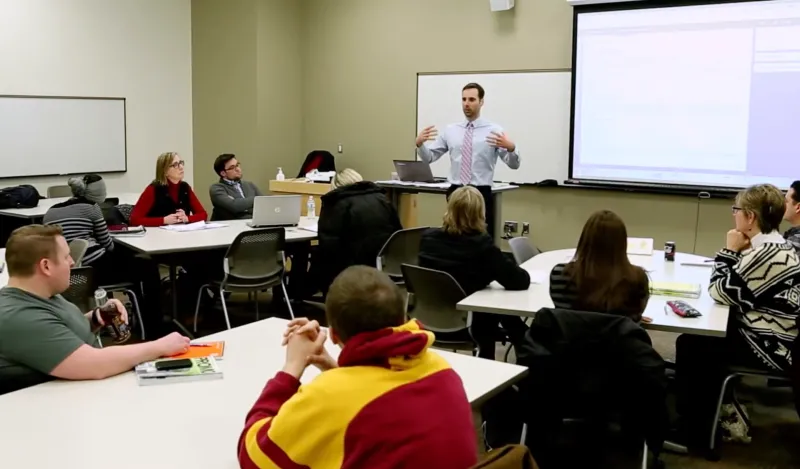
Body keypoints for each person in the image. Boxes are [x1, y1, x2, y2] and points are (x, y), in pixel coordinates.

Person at [237, 266, 477, 469]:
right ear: (402, 318)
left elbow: (253, 457)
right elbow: (374, 396)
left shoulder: (330, 396)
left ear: (332, 333)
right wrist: (334, 368)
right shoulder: (440, 368)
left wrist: (292, 367)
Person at [675, 184, 800, 448]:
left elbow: (719, 290)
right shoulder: (773, 246)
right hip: (770, 332)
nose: (734, 215)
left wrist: (729, 250)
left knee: (693, 344)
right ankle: (700, 417)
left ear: (751, 217)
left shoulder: (768, 253)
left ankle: (694, 432)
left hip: (772, 344)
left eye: (737, 210)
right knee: (696, 341)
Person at [0, 225, 190, 395]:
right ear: (46, 266)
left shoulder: (42, 294)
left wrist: (98, 317)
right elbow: (95, 364)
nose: (72, 262)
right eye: (66, 256)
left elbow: (58, 331)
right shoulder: (19, 317)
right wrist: (160, 347)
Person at [418, 186, 530, 359]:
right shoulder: (482, 247)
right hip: (469, 325)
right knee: (498, 305)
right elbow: (519, 281)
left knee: (496, 305)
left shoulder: (427, 240)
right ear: (481, 213)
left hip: (428, 320)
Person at [416, 82, 520, 238]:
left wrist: (511, 148)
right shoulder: (451, 130)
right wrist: (420, 144)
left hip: (481, 192)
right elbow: (430, 157)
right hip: (455, 191)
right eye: (464, 99)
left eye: (471, 99)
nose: (466, 104)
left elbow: (514, 164)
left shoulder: (494, 131)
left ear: (481, 102)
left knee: (481, 236)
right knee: (453, 235)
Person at [311, 168, 402, 295]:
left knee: (313, 254)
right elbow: (397, 232)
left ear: (336, 186)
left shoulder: (336, 203)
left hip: (351, 270)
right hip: (385, 265)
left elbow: (329, 245)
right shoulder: (382, 199)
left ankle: (296, 295)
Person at [549, 210, 651, 323]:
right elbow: (634, 318)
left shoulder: (559, 275)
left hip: (571, 340)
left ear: (584, 240)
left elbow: (562, 315)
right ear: (622, 243)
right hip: (618, 340)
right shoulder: (637, 280)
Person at [43, 174, 113, 266]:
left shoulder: (51, 210)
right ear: (98, 193)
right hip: (89, 261)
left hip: (60, 264)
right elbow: (108, 244)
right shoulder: (92, 207)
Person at [130, 152, 208, 227]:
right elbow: (134, 220)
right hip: (156, 236)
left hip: (182, 235)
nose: (181, 167)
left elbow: (203, 215)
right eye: (175, 165)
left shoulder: (185, 188)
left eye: (181, 163)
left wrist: (187, 218)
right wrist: (163, 220)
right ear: (165, 171)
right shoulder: (153, 189)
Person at [209, 153, 263, 221]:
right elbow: (235, 206)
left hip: (253, 223)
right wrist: (256, 199)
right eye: (232, 167)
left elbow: (263, 204)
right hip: (229, 227)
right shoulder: (217, 188)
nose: (238, 169)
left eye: (237, 165)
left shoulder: (249, 185)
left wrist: (241, 202)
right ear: (223, 173)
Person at [784, 180, 800, 253]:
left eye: (786, 201)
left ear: (798, 207)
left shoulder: (795, 242)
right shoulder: (792, 233)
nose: (782, 205)